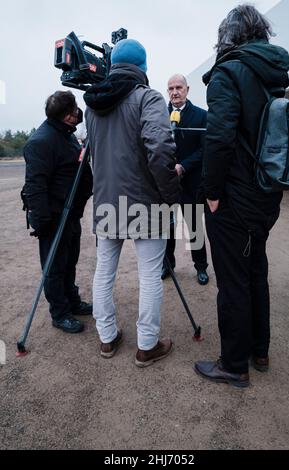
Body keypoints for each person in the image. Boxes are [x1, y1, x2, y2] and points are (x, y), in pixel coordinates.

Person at [194, 4, 289, 387]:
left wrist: (212, 192)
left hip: (234, 194)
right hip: (266, 190)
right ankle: (259, 350)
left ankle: (233, 365)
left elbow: (219, 138)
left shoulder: (227, 72)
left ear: (227, 36)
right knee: (256, 271)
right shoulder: (274, 73)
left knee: (233, 279)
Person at [84, 39, 180, 367]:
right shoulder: (148, 97)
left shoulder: (91, 106)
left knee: (104, 271)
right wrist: (171, 195)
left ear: (112, 65)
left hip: (107, 202)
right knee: (150, 274)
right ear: (144, 67)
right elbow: (161, 150)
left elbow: (96, 155)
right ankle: (146, 345)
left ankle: (107, 338)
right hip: (145, 203)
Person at [24, 91, 93, 334]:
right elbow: (35, 186)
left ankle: (72, 301)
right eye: (74, 109)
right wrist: (43, 222)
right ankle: (60, 313)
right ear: (66, 116)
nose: (78, 112)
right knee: (54, 266)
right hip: (54, 218)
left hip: (70, 214)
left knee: (70, 261)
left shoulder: (65, 134)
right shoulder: (41, 141)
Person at [161, 74, 209, 286]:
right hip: (166, 186)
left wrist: (184, 166)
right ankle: (167, 265)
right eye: (170, 88)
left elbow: (204, 150)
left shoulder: (201, 116)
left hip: (190, 183)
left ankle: (201, 267)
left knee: (194, 228)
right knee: (167, 228)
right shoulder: (160, 115)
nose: (174, 92)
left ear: (187, 89)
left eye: (178, 87)